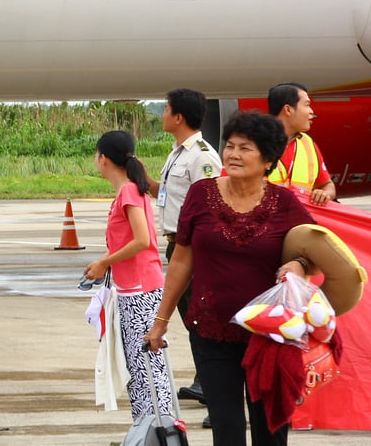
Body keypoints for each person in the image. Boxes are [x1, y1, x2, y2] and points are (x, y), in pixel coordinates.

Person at [143, 111, 315, 446]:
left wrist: (298, 265)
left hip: (271, 338)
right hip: (212, 331)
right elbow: (181, 261)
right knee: (226, 429)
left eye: (245, 148)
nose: (233, 154)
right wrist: (161, 321)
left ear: (267, 159)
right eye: (230, 146)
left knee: (271, 432)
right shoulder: (200, 194)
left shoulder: (285, 203)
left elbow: (315, 252)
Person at [83, 131, 174, 422]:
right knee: (137, 366)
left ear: (103, 158)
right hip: (131, 288)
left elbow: (142, 239)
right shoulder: (131, 190)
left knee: (147, 365)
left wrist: (104, 262)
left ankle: (160, 428)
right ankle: (146, 427)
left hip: (140, 290)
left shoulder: (129, 192)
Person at [147, 88, 221, 414]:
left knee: (202, 321)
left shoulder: (202, 156)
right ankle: (205, 379)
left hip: (193, 250)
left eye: (165, 109)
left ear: (178, 117)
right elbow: (169, 195)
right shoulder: (178, 153)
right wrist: (144, 180)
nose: (162, 114)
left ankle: (213, 385)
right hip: (176, 245)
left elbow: (212, 203)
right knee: (193, 321)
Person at [267, 82, 336, 205]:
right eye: (307, 105)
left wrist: (325, 194)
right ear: (288, 110)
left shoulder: (308, 143)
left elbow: (327, 185)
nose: (311, 112)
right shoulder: (253, 142)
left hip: (298, 221)